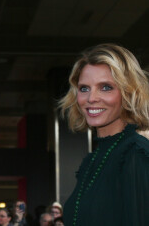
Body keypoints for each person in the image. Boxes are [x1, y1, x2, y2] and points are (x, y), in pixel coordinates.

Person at [59, 43, 149, 225]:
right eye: (84, 88)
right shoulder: (92, 160)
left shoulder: (134, 153)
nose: (91, 98)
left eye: (106, 87)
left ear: (128, 92)